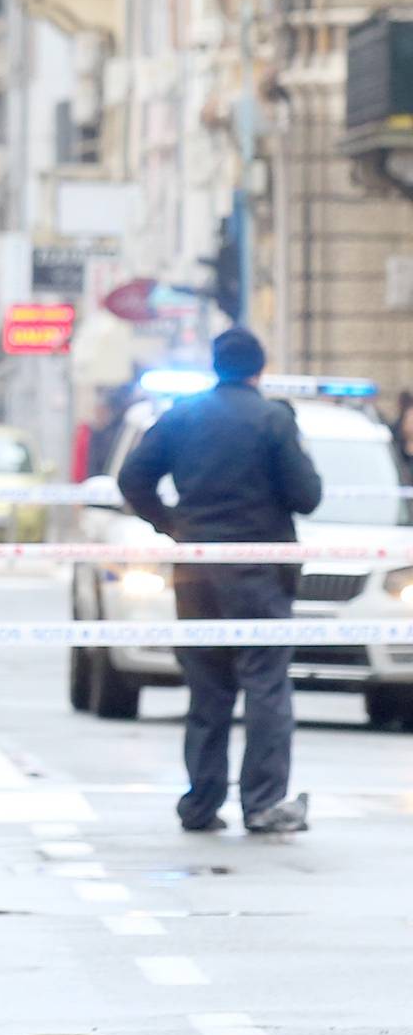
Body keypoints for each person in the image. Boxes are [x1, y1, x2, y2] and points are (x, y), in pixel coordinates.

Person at [116, 324, 321, 837]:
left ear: (215, 365)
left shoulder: (182, 416)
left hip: (196, 569)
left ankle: (201, 804)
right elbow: (307, 495)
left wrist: (171, 523)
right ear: (259, 368)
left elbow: (132, 478)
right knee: (265, 687)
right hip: (259, 571)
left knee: (207, 689)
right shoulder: (274, 419)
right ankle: (263, 803)